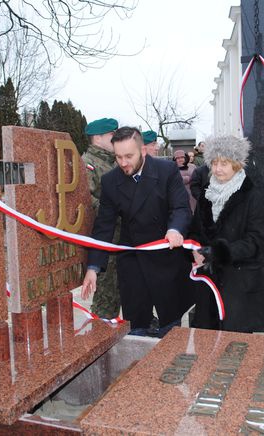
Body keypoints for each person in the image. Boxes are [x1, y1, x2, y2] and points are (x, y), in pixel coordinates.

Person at [81, 126, 193, 337]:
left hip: (165, 256)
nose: (123, 163)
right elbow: (104, 226)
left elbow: (180, 207)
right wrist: (93, 267)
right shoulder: (111, 181)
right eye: (118, 157)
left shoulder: (166, 171)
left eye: (129, 156)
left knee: (171, 329)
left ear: (142, 151)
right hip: (133, 259)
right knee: (136, 328)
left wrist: (175, 229)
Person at [189, 135, 264, 332]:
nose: (217, 169)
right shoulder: (206, 193)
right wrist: (194, 250)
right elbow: (195, 230)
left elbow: (257, 239)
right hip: (209, 282)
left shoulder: (251, 195)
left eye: (224, 163)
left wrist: (220, 252)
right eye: (214, 163)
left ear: (237, 164)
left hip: (240, 282)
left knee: (236, 346)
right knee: (208, 342)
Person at [81, 117, 121, 319]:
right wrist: (117, 211)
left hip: (120, 236)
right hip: (106, 238)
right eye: (112, 134)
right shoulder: (89, 163)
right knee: (106, 295)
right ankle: (101, 335)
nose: (116, 138)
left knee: (119, 290)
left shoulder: (113, 163)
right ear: (98, 137)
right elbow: (88, 200)